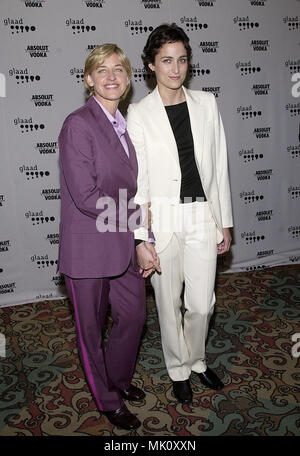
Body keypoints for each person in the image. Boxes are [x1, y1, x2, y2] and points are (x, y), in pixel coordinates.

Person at [127, 24, 233, 404]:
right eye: (166, 61)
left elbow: (219, 166)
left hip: (202, 215)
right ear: (152, 66)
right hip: (162, 220)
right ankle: (177, 368)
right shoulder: (138, 113)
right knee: (167, 303)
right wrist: (140, 236)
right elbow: (137, 181)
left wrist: (224, 222)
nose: (175, 68)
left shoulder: (207, 103)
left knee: (202, 302)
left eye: (182, 59)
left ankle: (198, 360)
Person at [58, 44, 159, 430]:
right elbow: (86, 197)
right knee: (90, 330)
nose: (112, 76)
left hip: (119, 244)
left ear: (130, 78)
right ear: (89, 79)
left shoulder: (125, 128)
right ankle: (107, 399)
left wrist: (140, 238)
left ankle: (117, 380)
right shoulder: (78, 124)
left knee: (133, 317)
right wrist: (140, 224)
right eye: (102, 70)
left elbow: (128, 190)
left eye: (119, 69)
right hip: (88, 249)